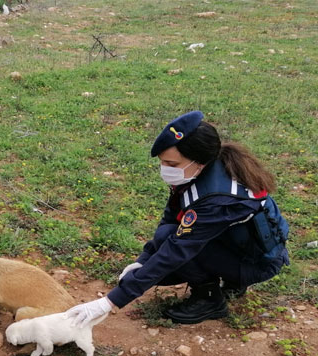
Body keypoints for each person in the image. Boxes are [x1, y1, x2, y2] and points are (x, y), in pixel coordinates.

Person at [67, 110, 289, 327]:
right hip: (241, 250)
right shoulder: (203, 169)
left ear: (198, 160)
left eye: (171, 164)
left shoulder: (217, 198)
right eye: (163, 162)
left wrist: (110, 302)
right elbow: (172, 217)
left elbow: (177, 250)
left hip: (257, 264)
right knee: (165, 241)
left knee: (172, 255)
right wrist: (143, 260)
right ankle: (231, 281)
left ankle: (210, 299)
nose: (165, 170)